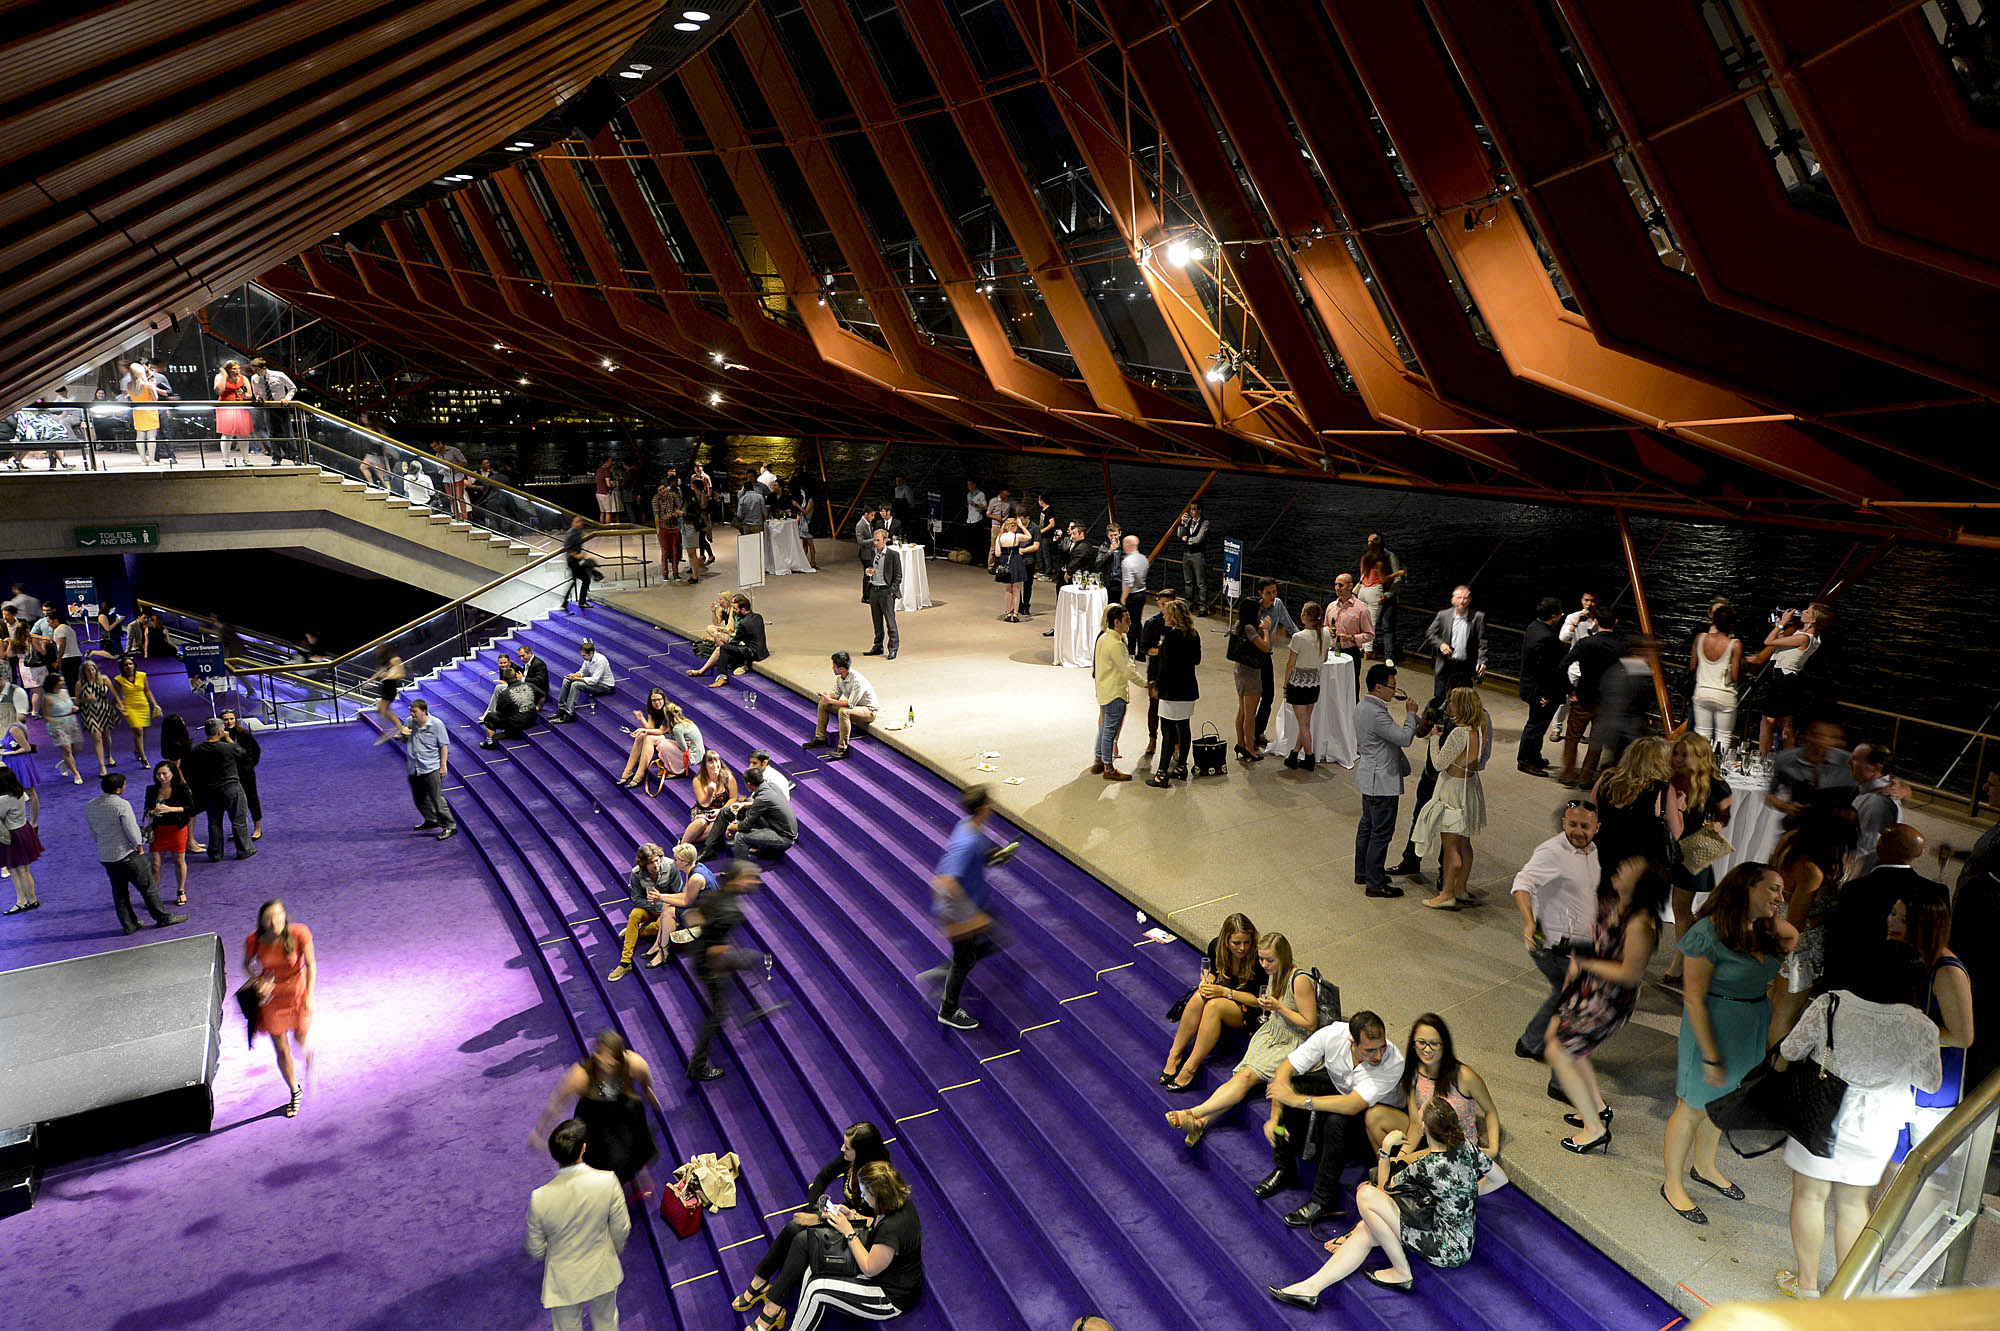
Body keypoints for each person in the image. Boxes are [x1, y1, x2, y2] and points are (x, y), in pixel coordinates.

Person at [1775, 945, 1940, 1299]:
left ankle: (1806, 1288)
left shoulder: (1830, 1003)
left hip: (1821, 1113)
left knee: (1809, 1195)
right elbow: (1931, 1082)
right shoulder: (1920, 1025)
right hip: (1876, 1125)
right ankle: (1843, 1293)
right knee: (1853, 1205)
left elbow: (1790, 1050)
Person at [1659, 863, 1796, 1224]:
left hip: (1750, 1023)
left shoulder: (1765, 931)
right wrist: (1711, 1053)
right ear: (1747, 888)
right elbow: (1692, 999)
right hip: (1712, 1025)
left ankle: (1704, 1165)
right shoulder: (1707, 934)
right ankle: (1672, 1183)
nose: (1781, 898)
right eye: (1774, 889)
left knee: (1722, 1104)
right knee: (1691, 1107)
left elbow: (1794, 936)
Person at [1266, 1097, 1495, 1309]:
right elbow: (1500, 1179)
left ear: (1424, 1127)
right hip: (1462, 1242)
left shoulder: (1427, 1165)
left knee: (1365, 1194)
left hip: (1443, 1247)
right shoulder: (1466, 1148)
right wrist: (1466, 1194)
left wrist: (1386, 1148)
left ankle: (1401, 1272)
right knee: (1366, 1230)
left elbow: (1384, 1188)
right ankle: (1311, 1288)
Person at [1544, 856, 1669, 1153]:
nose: (1622, 867)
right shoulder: (1615, 903)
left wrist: (1587, 962)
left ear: (1642, 885)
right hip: (1589, 988)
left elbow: (1629, 974)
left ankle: (1595, 1128)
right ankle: (1597, 1107)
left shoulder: (1641, 924)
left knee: (1559, 1050)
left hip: (1609, 1000)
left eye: (1630, 869)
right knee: (1569, 1047)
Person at [1164, 932, 1317, 1146]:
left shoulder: (1299, 980)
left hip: (1292, 1041)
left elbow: (1310, 1023)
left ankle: (1191, 1112)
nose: (1264, 964)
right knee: (1241, 1078)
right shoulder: (1274, 973)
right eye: (1262, 959)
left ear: (1283, 956)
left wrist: (1278, 1007)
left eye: (1269, 960)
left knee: (1244, 1078)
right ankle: (1200, 1123)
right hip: (1272, 1033)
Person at [1257, 1009, 1407, 1226]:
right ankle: (1284, 1167)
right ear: (1351, 1042)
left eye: (1382, 1047)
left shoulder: (1393, 1062)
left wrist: (1299, 1101)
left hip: (1372, 1117)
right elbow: (1285, 1070)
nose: (1378, 1056)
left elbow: (1353, 1105)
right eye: (1370, 1050)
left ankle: (1322, 1200)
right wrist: (1274, 1118)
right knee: (1297, 1086)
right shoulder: (1331, 1035)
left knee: (1336, 1120)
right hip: (1343, 1092)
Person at [733, 1123, 892, 1320]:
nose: (842, 1149)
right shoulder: (849, 1160)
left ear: (862, 1151)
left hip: (861, 1233)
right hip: (843, 1216)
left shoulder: (878, 1177)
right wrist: (814, 1207)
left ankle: (773, 1308)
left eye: (847, 1147)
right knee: (794, 1226)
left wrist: (819, 1218)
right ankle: (760, 1281)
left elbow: (878, 1223)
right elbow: (822, 1178)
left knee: (802, 1239)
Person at [776, 1161, 923, 1331]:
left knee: (817, 1290)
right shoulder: (895, 1202)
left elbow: (869, 1268)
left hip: (890, 1295)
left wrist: (848, 1231)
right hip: (882, 1273)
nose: (862, 1197)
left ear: (878, 1195)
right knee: (814, 1267)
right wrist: (852, 1215)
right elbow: (874, 1225)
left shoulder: (893, 1228)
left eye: (865, 1194)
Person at [1887, 883, 1974, 1162]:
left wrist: (1905, 1026)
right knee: (1894, 1160)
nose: (1893, 923)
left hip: (1932, 1087)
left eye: (1904, 919)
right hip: (1902, 1077)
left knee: (1920, 1167)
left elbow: (1962, 1036)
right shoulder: (1908, 958)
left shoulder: (1946, 970)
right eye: (1892, 914)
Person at [1511, 800, 1604, 1058]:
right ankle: (1538, 1046)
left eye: (1585, 826)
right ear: (1563, 823)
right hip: (1551, 944)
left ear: (1597, 827)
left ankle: (1531, 1042)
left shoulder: (1594, 851)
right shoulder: (1552, 852)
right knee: (1570, 993)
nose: (1578, 831)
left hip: (1580, 942)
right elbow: (1522, 883)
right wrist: (1529, 922)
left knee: (1564, 993)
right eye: (1572, 824)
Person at [527, 1118, 631, 1331]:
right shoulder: (607, 1181)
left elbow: (536, 1249)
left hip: (564, 1279)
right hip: (603, 1268)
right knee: (606, 1322)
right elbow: (622, 1228)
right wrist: (613, 1249)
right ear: (583, 1149)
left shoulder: (539, 1198)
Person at [532, 1031, 663, 1193]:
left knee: (633, 1149)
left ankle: (632, 1176)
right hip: (595, 1116)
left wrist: (650, 1094)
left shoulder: (633, 1063)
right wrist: (540, 1131)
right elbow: (556, 1102)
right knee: (602, 1158)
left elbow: (646, 1080)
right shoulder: (581, 1075)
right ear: (596, 1054)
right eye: (604, 1055)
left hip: (624, 1112)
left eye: (614, 1057)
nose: (609, 1062)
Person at [1822, 824, 1935, 997]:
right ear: (1918, 853)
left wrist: (1831, 989)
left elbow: (1837, 942)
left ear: (1880, 848)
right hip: (1905, 987)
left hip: (1854, 986)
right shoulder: (1934, 893)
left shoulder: (1855, 890)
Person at [927, 785, 1006, 1030]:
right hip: (959, 912)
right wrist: (969, 918)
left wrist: (994, 856)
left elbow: (977, 853)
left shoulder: (967, 825)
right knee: (967, 957)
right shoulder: (968, 841)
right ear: (983, 807)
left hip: (972, 904)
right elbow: (944, 881)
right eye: (989, 802)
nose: (992, 805)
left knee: (981, 947)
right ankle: (948, 1009)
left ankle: (947, 971)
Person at [685, 859, 770, 1082]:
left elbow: (692, 916)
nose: (755, 881)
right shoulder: (731, 911)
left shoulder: (717, 895)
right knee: (718, 1015)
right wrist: (721, 966)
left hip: (702, 956)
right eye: (750, 877)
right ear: (738, 880)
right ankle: (697, 1065)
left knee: (751, 959)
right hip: (710, 964)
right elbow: (714, 950)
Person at [1158, 911, 1262, 1090]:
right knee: (1199, 997)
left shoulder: (1258, 959)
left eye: (1246, 942)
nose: (1242, 948)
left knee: (1214, 1006)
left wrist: (1224, 991)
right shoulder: (1216, 946)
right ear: (1226, 941)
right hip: (1228, 995)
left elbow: (1259, 1000)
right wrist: (1208, 980)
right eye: (1236, 943)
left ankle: (1191, 1066)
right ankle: (1174, 1054)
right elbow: (1212, 971)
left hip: (1250, 1009)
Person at [1398, 1014, 1504, 1185]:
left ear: (1444, 1045)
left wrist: (1493, 1147)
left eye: (1434, 1043)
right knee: (1376, 1118)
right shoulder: (1413, 1073)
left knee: (1400, 1170)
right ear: (1413, 1044)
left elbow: (1490, 1110)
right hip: (1429, 1140)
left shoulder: (1464, 1076)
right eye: (1421, 1042)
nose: (1427, 1049)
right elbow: (1416, 1124)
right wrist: (1401, 1155)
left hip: (1455, 1149)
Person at [1411, 688, 1490, 909]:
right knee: (1465, 844)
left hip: (1453, 792)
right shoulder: (1479, 730)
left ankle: (1446, 894)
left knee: (1451, 847)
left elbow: (1438, 764)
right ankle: (1461, 888)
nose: (1450, 706)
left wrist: (1434, 740)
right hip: (1470, 788)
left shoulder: (1458, 734)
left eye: (1453, 702)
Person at [88, 773, 188, 934]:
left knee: (119, 892)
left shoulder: (91, 805)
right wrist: (139, 845)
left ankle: (129, 924)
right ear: (119, 789)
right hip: (127, 854)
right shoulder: (121, 805)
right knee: (148, 887)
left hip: (106, 856)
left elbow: (94, 833)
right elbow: (132, 831)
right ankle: (163, 917)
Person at [1353, 664, 1421, 899]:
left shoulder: (1363, 706)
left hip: (1369, 777)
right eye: (1391, 687)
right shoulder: (1377, 713)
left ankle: (1363, 871)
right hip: (1381, 781)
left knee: (1367, 827)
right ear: (1378, 687)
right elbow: (1403, 738)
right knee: (1381, 832)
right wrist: (1411, 714)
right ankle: (1375, 882)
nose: (1394, 691)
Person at [242, 899, 315, 1116]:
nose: (275, 922)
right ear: (262, 923)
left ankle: (309, 1054)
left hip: (297, 995)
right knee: (282, 1049)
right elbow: (247, 964)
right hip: (271, 1000)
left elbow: (311, 964)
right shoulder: (253, 939)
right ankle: (295, 1091)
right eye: (269, 919)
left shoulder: (300, 933)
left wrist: (309, 995)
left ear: (285, 915)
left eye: (278, 916)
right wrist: (257, 979)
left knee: (299, 1041)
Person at [1591, 737, 1685, 886]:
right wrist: (1679, 808)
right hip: (1637, 867)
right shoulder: (1662, 789)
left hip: (1601, 856)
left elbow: (1592, 816)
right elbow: (1677, 833)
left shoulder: (1606, 778)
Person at [606, 842, 699, 981]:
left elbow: (678, 894)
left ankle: (634, 931)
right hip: (649, 907)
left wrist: (661, 903)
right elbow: (636, 899)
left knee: (659, 926)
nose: (655, 865)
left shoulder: (671, 866)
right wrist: (654, 904)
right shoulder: (636, 873)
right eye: (651, 862)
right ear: (644, 864)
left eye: (657, 860)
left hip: (667, 906)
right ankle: (625, 962)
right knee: (634, 915)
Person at [1751, 602, 1833, 756]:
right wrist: (1779, 627)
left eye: (1807, 612)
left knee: (1767, 722)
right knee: (1786, 725)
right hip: (1791, 681)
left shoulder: (1803, 638)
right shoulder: (1811, 637)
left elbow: (1768, 642)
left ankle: (1762, 760)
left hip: (1782, 680)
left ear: (1813, 620)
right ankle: (1790, 762)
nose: (1802, 612)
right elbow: (1783, 645)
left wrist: (1782, 624)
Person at [1558, 609, 1624, 787]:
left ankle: (1568, 772)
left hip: (1583, 696)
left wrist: (1570, 689)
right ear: (1615, 622)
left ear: (1596, 621)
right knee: (1596, 740)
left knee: (1572, 736)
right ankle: (1586, 777)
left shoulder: (1586, 643)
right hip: (1606, 701)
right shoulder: (1621, 647)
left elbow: (1562, 665)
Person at [183, 717, 255, 860]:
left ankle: (215, 853)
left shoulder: (197, 749)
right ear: (220, 731)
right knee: (238, 819)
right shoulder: (228, 747)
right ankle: (244, 849)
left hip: (210, 790)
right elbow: (243, 754)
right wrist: (228, 739)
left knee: (214, 822)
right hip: (231, 787)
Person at [1146, 598, 1200, 789]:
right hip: (1188, 689)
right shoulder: (1194, 635)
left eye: (1167, 613)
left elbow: (1165, 668)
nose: (1164, 616)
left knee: (1167, 731)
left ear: (1174, 617)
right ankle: (1181, 767)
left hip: (1171, 691)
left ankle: (1161, 774)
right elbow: (1197, 659)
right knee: (1184, 727)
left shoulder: (1170, 638)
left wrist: (1156, 686)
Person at [1092, 604, 1149, 782]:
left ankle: (1099, 759)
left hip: (1103, 689)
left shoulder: (1103, 638)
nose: (1130, 623)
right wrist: (1145, 684)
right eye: (1127, 620)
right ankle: (1108, 768)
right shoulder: (1116, 644)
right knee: (1110, 730)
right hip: (1115, 692)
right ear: (1116, 622)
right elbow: (1127, 671)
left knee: (1104, 728)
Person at [699, 765, 797, 862]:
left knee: (741, 836)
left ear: (749, 784)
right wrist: (744, 804)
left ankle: (742, 872)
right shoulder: (771, 786)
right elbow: (764, 803)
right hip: (776, 826)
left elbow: (745, 825)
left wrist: (731, 828)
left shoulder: (762, 798)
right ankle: (709, 849)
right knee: (725, 812)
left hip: (783, 837)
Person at [391, 699, 456, 840]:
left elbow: (444, 746)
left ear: (424, 711)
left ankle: (450, 826)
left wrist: (443, 765)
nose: (412, 714)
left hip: (431, 767)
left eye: (414, 711)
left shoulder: (437, 724)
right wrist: (402, 735)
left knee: (437, 799)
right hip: (414, 767)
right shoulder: (409, 721)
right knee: (419, 798)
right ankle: (431, 820)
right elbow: (404, 740)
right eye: (411, 711)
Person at [1517, 597, 1565, 774]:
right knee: (1535, 726)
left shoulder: (1534, 627)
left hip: (1532, 686)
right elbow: (1545, 670)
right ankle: (1525, 760)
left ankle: (1534, 755)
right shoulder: (1547, 636)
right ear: (1553, 616)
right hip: (1540, 691)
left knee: (1538, 725)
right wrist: (1545, 695)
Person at [1280, 602, 1330, 771]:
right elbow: (1324, 659)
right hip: (1314, 682)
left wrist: (1285, 684)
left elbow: (1290, 664)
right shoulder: (1325, 634)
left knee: (1304, 725)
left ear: (1306, 616)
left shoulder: (1299, 637)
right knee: (1305, 723)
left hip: (1299, 683)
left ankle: (1309, 757)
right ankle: (1294, 755)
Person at [1690, 602, 1744, 751]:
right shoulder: (1735, 644)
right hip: (1724, 695)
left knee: (1702, 735)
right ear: (1732, 625)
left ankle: (1698, 769)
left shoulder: (1700, 638)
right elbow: (1734, 675)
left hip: (1702, 692)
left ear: (1714, 621)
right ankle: (1717, 770)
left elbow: (1692, 666)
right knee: (1723, 737)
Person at [1420, 584, 1487, 703]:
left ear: (1470, 600)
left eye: (1465, 598)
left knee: (1463, 700)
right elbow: (1430, 633)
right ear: (1453, 600)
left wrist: (1482, 661)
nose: (1462, 601)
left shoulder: (1478, 618)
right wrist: (1440, 644)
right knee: (1439, 698)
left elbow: (1482, 642)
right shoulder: (1443, 615)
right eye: (1459, 597)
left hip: (1465, 666)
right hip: (1445, 665)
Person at [806, 651, 876, 760]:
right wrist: (827, 696)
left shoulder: (857, 681)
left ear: (842, 669)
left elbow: (850, 703)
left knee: (844, 711)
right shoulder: (840, 678)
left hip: (868, 711)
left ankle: (842, 748)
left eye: (834, 666)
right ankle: (820, 738)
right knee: (824, 704)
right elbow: (836, 694)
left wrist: (831, 700)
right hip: (855, 707)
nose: (832, 668)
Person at [688, 593, 769, 688]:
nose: (734, 611)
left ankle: (722, 677)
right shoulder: (758, 616)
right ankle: (706, 671)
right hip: (762, 651)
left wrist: (719, 642)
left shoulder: (743, 623)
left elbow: (734, 641)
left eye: (735, 609)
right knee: (723, 648)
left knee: (723, 649)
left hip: (752, 653)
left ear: (743, 610)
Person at [144, 759, 195, 907]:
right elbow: (146, 810)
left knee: (179, 860)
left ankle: (181, 890)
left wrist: (170, 809)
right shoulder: (151, 790)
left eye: (165, 773)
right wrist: (153, 811)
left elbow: (191, 809)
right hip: (158, 830)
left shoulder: (182, 789)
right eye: (159, 774)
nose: (162, 777)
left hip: (177, 830)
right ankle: (154, 895)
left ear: (172, 774)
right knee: (155, 864)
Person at [1229, 594, 1272, 764]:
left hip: (1240, 671)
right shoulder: (1249, 628)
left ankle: (1241, 743)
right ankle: (1249, 747)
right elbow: (1265, 647)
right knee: (1250, 714)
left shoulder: (1238, 625)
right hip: (1251, 674)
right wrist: (1266, 629)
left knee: (1242, 710)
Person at [1847, 743, 1901, 873]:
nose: (1849, 761)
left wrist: (1847, 885)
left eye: (1856, 759)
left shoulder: (1877, 803)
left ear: (1875, 768)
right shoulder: (1868, 792)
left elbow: (1866, 851)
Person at [614, 688, 676, 787]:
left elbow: (661, 731)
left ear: (664, 699)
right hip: (660, 737)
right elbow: (650, 729)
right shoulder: (652, 710)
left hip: (673, 736)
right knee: (641, 736)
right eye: (654, 700)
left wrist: (643, 730)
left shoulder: (669, 710)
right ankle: (628, 771)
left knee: (647, 737)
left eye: (659, 699)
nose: (657, 702)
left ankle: (639, 774)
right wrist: (641, 719)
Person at [1, 768, 42, 915]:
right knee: (24, 870)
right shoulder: (19, 793)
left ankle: (21, 901)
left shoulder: (3, 800)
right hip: (24, 830)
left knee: (14, 870)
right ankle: (32, 899)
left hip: (11, 835)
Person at [220, 708, 264, 841]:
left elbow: (255, 751)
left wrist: (249, 765)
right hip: (229, 774)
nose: (229, 722)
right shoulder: (219, 736)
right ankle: (239, 829)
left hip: (246, 773)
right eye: (226, 719)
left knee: (252, 799)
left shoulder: (243, 733)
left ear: (236, 719)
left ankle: (257, 828)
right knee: (234, 802)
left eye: (231, 718)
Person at [1327, 574, 1374, 695]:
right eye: (1336, 584)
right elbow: (1324, 626)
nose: (1337, 587)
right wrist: (1328, 630)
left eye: (1341, 585)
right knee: (1332, 685)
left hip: (1351, 652)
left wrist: (1351, 638)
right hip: (1333, 650)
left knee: (1351, 687)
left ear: (1350, 586)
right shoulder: (1331, 607)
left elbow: (1370, 634)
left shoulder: (1361, 609)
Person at [682, 751, 740, 847]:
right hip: (703, 810)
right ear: (705, 765)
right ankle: (683, 845)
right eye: (711, 762)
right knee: (701, 822)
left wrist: (721, 811)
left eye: (717, 761)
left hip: (723, 810)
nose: (715, 765)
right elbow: (704, 804)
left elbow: (733, 798)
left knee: (717, 824)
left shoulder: (728, 777)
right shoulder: (698, 780)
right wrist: (709, 793)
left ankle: (687, 842)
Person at [860, 529, 902, 660]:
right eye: (874, 540)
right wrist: (868, 572)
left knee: (890, 621)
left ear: (885, 541)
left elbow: (898, 576)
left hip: (886, 592)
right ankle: (878, 646)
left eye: (878, 540)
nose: (876, 543)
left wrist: (892, 590)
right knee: (877, 621)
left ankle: (893, 648)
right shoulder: (873, 554)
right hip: (874, 590)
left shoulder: (892, 555)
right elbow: (870, 568)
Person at [551, 639, 616, 722]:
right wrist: (573, 675)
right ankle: (561, 709)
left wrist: (576, 678)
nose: (583, 657)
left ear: (591, 653)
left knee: (576, 684)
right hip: (596, 683)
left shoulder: (601, 660)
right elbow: (583, 671)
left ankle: (568, 714)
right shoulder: (587, 659)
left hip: (605, 686)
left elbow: (594, 680)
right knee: (566, 680)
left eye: (584, 655)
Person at [482, 660, 541, 751]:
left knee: (490, 717)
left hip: (516, 724)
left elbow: (500, 711)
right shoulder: (529, 685)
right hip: (532, 718)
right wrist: (539, 707)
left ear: (504, 680)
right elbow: (543, 695)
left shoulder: (505, 693)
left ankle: (490, 742)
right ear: (517, 676)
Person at [75, 659, 120, 778]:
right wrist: (86, 699)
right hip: (89, 712)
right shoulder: (80, 684)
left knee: (106, 736)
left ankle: (109, 755)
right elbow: (77, 700)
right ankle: (102, 766)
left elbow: (114, 693)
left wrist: (120, 704)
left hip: (104, 709)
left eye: (93, 669)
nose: (91, 672)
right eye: (88, 670)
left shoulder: (104, 679)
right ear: (84, 672)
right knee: (97, 738)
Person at [38, 672, 83, 784]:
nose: (63, 682)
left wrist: (73, 707)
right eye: (60, 680)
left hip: (71, 721)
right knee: (67, 749)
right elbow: (46, 715)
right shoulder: (47, 698)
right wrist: (57, 723)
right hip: (57, 725)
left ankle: (66, 762)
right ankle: (76, 774)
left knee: (76, 748)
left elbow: (68, 704)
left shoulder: (65, 691)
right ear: (53, 683)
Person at [213, 361, 255, 465]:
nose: (237, 371)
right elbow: (219, 391)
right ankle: (226, 460)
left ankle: (246, 459)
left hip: (240, 406)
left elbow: (249, 394)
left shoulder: (243, 378)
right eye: (234, 369)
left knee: (244, 434)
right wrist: (224, 376)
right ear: (228, 369)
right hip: (226, 407)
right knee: (227, 434)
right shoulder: (220, 377)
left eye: (238, 368)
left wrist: (244, 394)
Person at [562, 517, 602, 611]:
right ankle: (581, 602)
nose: (580, 524)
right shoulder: (572, 533)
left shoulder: (577, 532)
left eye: (581, 522)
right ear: (573, 523)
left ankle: (565, 602)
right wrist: (577, 555)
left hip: (575, 561)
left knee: (575, 581)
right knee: (585, 579)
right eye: (578, 522)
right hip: (573, 561)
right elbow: (567, 548)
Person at [1176, 500, 1210, 611]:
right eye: (1191, 509)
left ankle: (1203, 607)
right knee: (1188, 581)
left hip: (1198, 555)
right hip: (1186, 554)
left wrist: (1187, 540)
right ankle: (1189, 603)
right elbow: (1179, 535)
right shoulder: (1189, 521)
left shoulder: (1205, 523)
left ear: (1200, 510)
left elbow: (1199, 539)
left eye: (1194, 509)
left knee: (1201, 583)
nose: (1192, 512)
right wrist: (1182, 523)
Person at [369, 645, 406, 727]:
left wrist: (387, 676)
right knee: (383, 709)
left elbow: (400, 674)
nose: (378, 652)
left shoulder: (395, 659)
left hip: (390, 686)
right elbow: (380, 673)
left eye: (380, 650)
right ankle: (398, 727)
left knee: (383, 709)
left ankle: (397, 728)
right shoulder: (384, 661)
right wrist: (370, 681)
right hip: (386, 686)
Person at [1117, 534, 1148, 618]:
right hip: (1142, 593)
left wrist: (1123, 598)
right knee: (1137, 619)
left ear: (1127, 545)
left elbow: (1128, 583)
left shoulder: (1127, 561)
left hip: (1132, 596)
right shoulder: (1143, 558)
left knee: (1129, 621)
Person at [516, 641, 551, 710]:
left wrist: (523, 679)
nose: (521, 659)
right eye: (519, 656)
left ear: (530, 653)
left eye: (523, 656)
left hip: (538, 691)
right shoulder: (528, 661)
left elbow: (539, 681)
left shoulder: (539, 664)